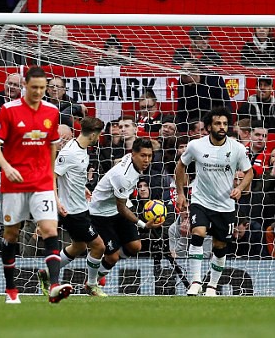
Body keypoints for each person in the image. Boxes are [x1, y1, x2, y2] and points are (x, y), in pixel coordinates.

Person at [0, 66, 73, 304]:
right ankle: (11, 289)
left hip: (42, 182)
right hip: (14, 184)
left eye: (42, 88)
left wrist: (53, 190)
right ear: (25, 86)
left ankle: (54, 285)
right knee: (11, 234)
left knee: (50, 231)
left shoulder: (52, 111)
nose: (37, 92)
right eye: (33, 88)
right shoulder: (8, 110)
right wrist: (7, 167)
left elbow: (51, 148)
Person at [175, 107, 254, 297]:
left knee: (220, 247)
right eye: (218, 123)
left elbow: (249, 172)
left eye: (225, 124)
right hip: (200, 200)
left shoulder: (237, 148)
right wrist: (180, 193)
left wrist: (240, 188)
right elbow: (180, 166)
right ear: (209, 126)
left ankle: (211, 286)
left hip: (225, 205)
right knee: (198, 233)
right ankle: (195, 282)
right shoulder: (196, 146)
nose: (222, 127)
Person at [37, 117, 107, 297]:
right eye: (99, 134)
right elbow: (51, 176)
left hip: (80, 207)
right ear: (93, 134)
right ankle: (91, 285)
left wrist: (81, 187)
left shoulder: (82, 150)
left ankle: (46, 272)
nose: (100, 137)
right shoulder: (69, 153)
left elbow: (69, 175)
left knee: (78, 246)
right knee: (99, 246)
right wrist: (57, 202)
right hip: (73, 212)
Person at [88, 138, 162, 284]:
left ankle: (103, 268)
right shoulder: (123, 177)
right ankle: (92, 282)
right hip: (101, 212)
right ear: (133, 154)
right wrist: (143, 224)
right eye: (143, 156)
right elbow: (121, 208)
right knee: (113, 257)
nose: (147, 160)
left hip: (117, 205)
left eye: (149, 156)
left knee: (135, 247)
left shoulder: (130, 159)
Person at [176, 62, 231, 132]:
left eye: (190, 82)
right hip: (194, 122)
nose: (189, 85)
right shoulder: (182, 82)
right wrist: (183, 130)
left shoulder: (215, 79)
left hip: (214, 118)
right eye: (186, 83)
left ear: (197, 74)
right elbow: (181, 108)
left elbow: (225, 103)